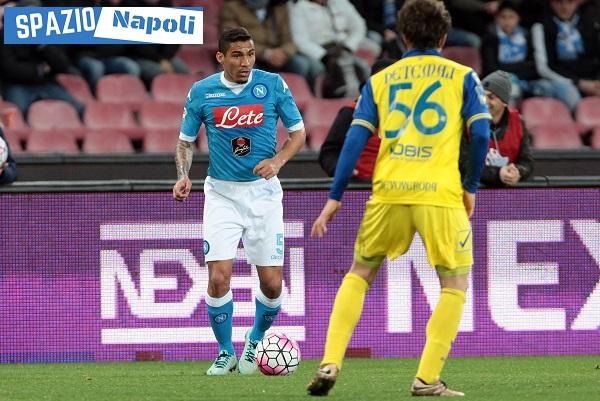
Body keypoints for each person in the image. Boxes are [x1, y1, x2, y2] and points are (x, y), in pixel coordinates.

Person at [306, 0, 490, 397]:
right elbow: (479, 134)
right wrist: (471, 186)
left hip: (389, 191)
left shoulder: (381, 80)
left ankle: (330, 360)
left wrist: (335, 195)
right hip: (439, 193)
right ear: (444, 37)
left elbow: (354, 139)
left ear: (403, 36)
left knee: (360, 273)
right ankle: (426, 378)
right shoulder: (463, 76)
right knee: (454, 283)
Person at [172, 27, 306, 376]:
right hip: (222, 195)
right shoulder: (203, 91)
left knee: (272, 284)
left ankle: (255, 339)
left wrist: (277, 161)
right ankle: (225, 351)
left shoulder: (272, 84)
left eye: (250, 54)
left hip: (264, 194)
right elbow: (185, 141)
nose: (246, 62)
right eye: (237, 55)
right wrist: (183, 174)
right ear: (221, 57)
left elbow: (298, 133)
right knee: (219, 278)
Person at [318, 58, 396, 180]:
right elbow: (329, 152)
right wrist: (340, 170)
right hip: (358, 185)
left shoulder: (411, 115)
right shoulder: (350, 112)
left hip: (398, 185)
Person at [219, 0, 321, 91]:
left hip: (278, 56)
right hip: (250, 56)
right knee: (243, 68)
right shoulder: (231, 8)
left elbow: (290, 41)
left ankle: (300, 99)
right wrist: (266, 53)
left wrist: (283, 53)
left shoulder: (279, 7)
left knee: (303, 65)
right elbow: (233, 40)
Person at [461, 70, 533, 187]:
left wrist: (517, 172)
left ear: (504, 102)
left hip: (506, 194)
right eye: (482, 95)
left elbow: (527, 162)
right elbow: (463, 164)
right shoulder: (467, 121)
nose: (485, 101)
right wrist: (497, 174)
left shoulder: (518, 123)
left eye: (491, 97)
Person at [531, 0, 600, 111]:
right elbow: (543, 68)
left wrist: (596, 82)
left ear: (577, 3)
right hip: (560, 81)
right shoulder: (541, 27)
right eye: (559, 2)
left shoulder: (589, 23)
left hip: (590, 81)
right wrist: (578, 83)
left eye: (570, 2)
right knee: (572, 97)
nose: (565, 7)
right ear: (552, 3)